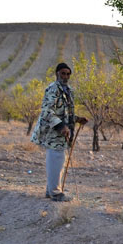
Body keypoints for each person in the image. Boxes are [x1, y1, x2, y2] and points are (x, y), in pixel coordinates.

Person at [30, 62, 88, 202]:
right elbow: (47, 112)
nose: (66, 76)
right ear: (57, 74)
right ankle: (55, 193)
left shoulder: (68, 90)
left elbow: (64, 113)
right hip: (53, 131)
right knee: (56, 158)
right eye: (63, 73)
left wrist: (77, 119)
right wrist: (61, 126)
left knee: (58, 160)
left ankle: (51, 190)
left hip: (62, 132)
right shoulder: (52, 89)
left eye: (68, 74)